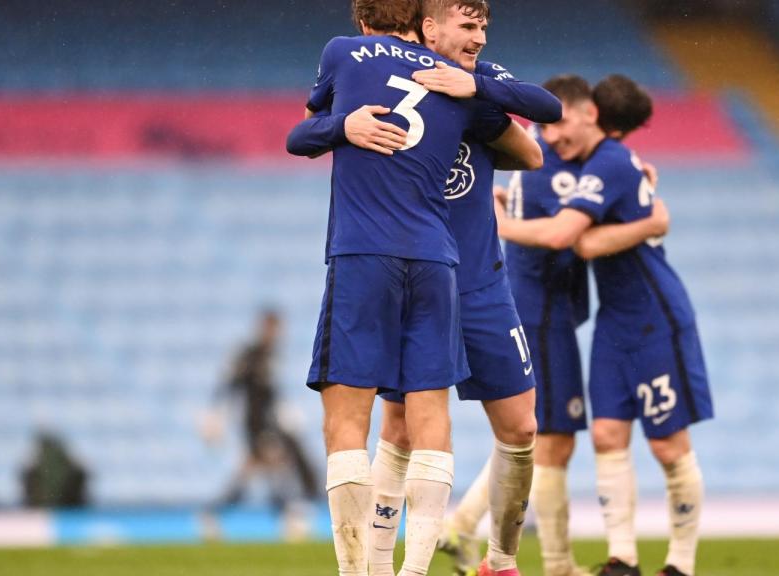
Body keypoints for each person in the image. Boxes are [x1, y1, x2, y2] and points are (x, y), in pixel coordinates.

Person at [288, 2, 560, 575]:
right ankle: (384, 566)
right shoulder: (386, 72)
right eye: (468, 26)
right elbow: (307, 131)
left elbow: (533, 150)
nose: (479, 37)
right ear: (425, 28)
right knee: (401, 424)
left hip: (475, 278)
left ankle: (500, 559)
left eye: (483, 27)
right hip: (429, 266)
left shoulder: (478, 84)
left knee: (521, 427)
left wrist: (476, 91)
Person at [495, 75, 714, 576]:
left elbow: (580, 241)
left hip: (655, 315)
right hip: (616, 321)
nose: (551, 138)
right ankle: (623, 560)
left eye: (559, 124)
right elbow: (581, 208)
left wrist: (499, 225)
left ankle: (680, 564)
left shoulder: (611, 160)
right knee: (608, 436)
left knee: (667, 443)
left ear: (590, 113)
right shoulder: (603, 164)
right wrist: (652, 216)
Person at [447, 100, 667, 576]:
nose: (561, 136)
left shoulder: (540, 166)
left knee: (535, 436)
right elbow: (566, 234)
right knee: (549, 441)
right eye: (554, 124)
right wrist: (648, 212)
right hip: (542, 313)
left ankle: (462, 527)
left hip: (541, 308)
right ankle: (552, 561)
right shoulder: (555, 169)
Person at [207, 310, 320, 509]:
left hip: (269, 421)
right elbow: (231, 383)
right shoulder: (250, 355)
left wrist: (284, 410)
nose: (275, 334)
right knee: (276, 462)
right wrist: (217, 413)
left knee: (256, 467)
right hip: (254, 422)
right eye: (272, 328)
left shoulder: (272, 356)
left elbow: (271, 392)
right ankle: (288, 512)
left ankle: (216, 512)